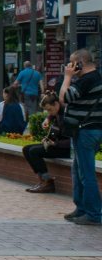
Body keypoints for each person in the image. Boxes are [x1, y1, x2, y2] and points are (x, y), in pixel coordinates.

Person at [59, 49, 102, 225]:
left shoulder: (87, 80)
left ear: (80, 63)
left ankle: (93, 214)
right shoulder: (96, 77)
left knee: (86, 173)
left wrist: (67, 77)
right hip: (89, 130)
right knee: (77, 170)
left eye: (71, 63)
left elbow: (64, 98)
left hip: (85, 130)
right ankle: (82, 207)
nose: (69, 66)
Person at [23, 93, 68, 193]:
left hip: (66, 149)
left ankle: (48, 183)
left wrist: (55, 144)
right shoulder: (57, 112)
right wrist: (47, 119)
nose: (49, 112)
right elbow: (53, 116)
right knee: (26, 149)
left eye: (49, 109)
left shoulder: (66, 116)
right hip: (57, 145)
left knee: (34, 151)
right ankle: (42, 180)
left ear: (56, 104)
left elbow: (72, 141)